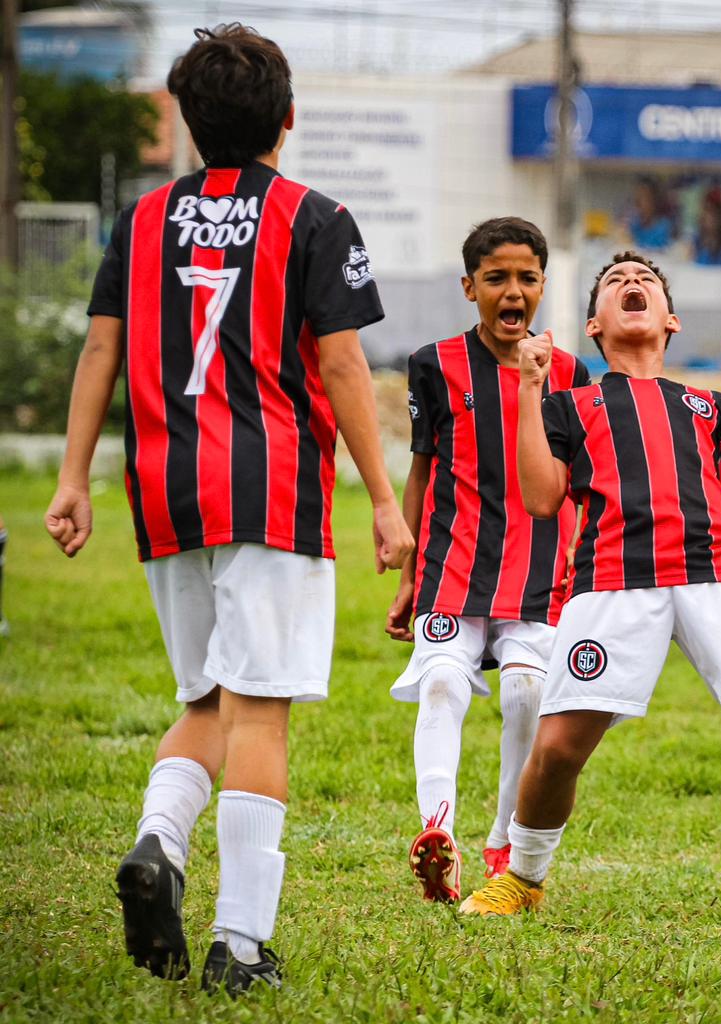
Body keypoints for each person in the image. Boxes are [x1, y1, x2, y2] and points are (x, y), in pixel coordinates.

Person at [44, 24, 415, 994]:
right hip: (271, 487)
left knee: (206, 698)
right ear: (286, 120)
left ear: (184, 121)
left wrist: (72, 477)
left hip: (165, 488)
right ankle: (240, 943)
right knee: (261, 712)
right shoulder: (315, 218)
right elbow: (339, 362)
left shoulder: (140, 221)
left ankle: (158, 844)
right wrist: (383, 499)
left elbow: (99, 352)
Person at [456, 251, 721, 921]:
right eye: (615, 283)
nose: (631, 285)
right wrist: (528, 389)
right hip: (613, 580)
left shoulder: (709, 405)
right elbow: (542, 497)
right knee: (557, 750)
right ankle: (522, 878)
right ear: (593, 326)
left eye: (645, 282)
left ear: (670, 320)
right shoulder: (569, 406)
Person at [384, 217, 590, 903]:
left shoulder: (568, 373)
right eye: (496, 278)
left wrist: (583, 566)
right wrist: (409, 568)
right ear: (470, 287)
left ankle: (503, 837)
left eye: (526, 277)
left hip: (539, 584)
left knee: (526, 692)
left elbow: (581, 485)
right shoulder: (434, 365)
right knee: (442, 686)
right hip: (452, 575)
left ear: (542, 286)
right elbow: (421, 472)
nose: (512, 290)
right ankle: (436, 835)